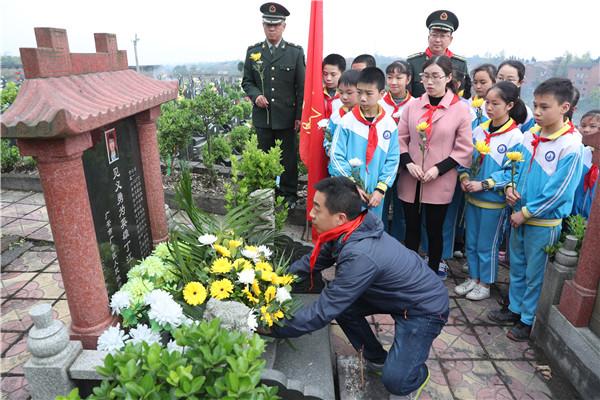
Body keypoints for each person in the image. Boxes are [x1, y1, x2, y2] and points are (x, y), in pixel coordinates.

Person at [263, 176, 449, 399]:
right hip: (396, 295)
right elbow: (314, 261)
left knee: (396, 382)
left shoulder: (360, 255)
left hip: (424, 308)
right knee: (344, 307)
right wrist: (276, 279)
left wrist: (274, 327)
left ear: (340, 217)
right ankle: (377, 358)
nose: (310, 215)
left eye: (316, 209)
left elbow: (324, 310)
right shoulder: (350, 227)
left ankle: (414, 374)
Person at [488, 78, 583, 341]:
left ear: (564, 107)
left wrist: (526, 212)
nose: (537, 112)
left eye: (544, 107)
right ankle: (515, 308)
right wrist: (508, 188)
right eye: (535, 106)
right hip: (517, 215)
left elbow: (559, 192)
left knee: (535, 273)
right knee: (516, 266)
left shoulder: (570, 146)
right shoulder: (531, 135)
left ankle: (528, 319)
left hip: (541, 223)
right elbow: (511, 168)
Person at [397, 55, 472, 274]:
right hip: (411, 176)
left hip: (439, 178)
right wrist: (408, 163)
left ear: (448, 77)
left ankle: (431, 271)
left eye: (436, 77)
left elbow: (464, 148)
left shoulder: (459, 110)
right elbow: (400, 139)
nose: (429, 82)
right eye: (425, 76)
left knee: (434, 228)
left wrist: (438, 169)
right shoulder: (413, 106)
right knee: (411, 226)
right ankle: (409, 271)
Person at [456, 81, 527, 301]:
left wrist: (484, 184)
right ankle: (474, 277)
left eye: (495, 103)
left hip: (493, 203)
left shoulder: (516, 137)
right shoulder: (480, 129)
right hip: (473, 198)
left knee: (488, 244)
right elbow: (465, 157)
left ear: (509, 105)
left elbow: (512, 173)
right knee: (472, 242)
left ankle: (485, 283)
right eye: (487, 102)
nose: (488, 107)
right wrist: (465, 176)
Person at [241, 2, 306, 206]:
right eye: (268, 24)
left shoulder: (295, 53)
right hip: (263, 117)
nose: (272, 28)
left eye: (276, 24)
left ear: (283, 26)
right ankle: (266, 194)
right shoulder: (253, 51)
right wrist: (256, 95)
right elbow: (247, 81)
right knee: (263, 158)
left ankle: (289, 195)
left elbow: (301, 87)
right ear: (263, 25)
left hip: (286, 118)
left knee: (287, 159)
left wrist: (298, 117)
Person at [329, 67, 400, 218]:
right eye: (359, 92)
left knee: (371, 233)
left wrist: (380, 189)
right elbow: (336, 156)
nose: (362, 98)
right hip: (348, 192)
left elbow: (393, 160)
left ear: (382, 94)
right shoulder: (347, 122)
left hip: (375, 196)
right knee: (346, 232)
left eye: (369, 93)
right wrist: (352, 185)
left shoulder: (389, 125)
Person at [379, 60, 414, 241]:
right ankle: (379, 242)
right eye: (390, 77)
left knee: (402, 207)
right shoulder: (379, 103)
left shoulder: (415, 105)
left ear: (408, 79)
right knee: (381, 205)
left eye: (399, 77)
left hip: (406, 167)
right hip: (382, 164)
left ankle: (399, 246)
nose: (394, 82)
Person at [407, 10, 469, 99]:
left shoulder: (460, 64)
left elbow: (464, 94)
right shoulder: (414, 62)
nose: (438, 40)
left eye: (443, 36)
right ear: (428, 37)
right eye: (434, 35)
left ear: (451, 39)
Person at [323, 69, 360, 157]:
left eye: (349, 92)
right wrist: (332, 152)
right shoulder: (336, 116)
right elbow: (328, 139)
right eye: (341, 92)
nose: (344, 97)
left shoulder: (367, 116)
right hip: (338, 163)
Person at [572, 110, 600, 219]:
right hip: (572, 218)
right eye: (583, 126)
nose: (586, 130)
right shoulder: (579, 153)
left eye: (592, 126)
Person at [496, 60, 535, 133]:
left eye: (510, 80)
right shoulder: (484, 106)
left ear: (520, 82)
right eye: (500, 78)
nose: (504, 83)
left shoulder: (526, 113)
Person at [470, 64, 497, 129]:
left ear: (494, 82)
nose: (478, 86)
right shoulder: (467, 103)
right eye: (475, 82)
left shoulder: (498, 106)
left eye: (483, 82)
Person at [322, 53, 346, 118]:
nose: (328, 78)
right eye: (325, 74)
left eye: (333, 74)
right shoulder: (318, 94)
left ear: (343, 73)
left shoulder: (348, 96)